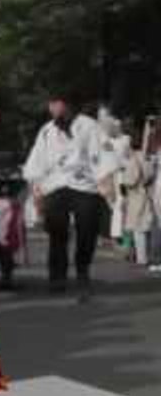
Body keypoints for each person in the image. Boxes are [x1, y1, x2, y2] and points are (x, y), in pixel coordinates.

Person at [22, 88, 119, 300]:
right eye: (51, 103)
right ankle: (57, 275)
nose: (54, 107)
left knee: (87, 227)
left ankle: (82, 269)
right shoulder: (46, 130)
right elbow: (37, 161)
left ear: (67, 105)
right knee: (57, 230)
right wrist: (36, 186)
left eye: (58, 103)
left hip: (84, 183)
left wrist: (106, 181)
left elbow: (102, 154)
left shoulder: (89, 126)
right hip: (56, 183)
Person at [121, 132, 154, 266]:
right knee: (145, 227)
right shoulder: (146, 159)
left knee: (137, 228)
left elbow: (130, 180)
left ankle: (141, 258)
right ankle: (143, 255)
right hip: (146, 194)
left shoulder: (133, 159)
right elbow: (151, 176)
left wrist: (124, 184)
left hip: (135, 195)